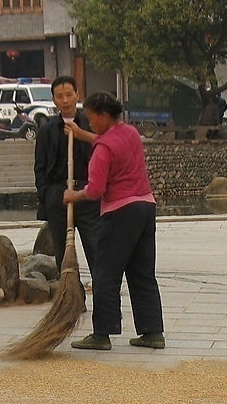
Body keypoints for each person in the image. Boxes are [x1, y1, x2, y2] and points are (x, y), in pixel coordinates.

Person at [63, 91, 164, 351]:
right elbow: (104, 139)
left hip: (120, 213)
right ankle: (153, 332)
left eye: (91, 117)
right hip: (145, 207)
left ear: (104, 115)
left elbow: (95, 190)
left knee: (105, 273)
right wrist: (81, 133)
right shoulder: (129, 133)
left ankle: (101, 334)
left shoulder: (103, 150)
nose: (90, 122)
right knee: (143, 273)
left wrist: (74, 194)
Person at [34, 76, 100, 282]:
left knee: (97, 249)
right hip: (58, 195)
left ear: (77, 95)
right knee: (63, 253)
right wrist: (48, 194)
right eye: (59, 96)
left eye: (69, 95)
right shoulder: (46, 130)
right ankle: (72, 296)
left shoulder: (91, 125)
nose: (65, 100)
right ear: (54, 100)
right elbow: (40, 168)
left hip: (87, 194)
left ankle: (105, 301)